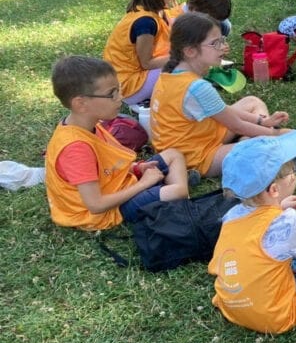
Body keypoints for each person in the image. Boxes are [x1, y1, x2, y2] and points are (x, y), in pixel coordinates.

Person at [208, 131, 296, 334]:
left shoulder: (232, 215)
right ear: (274, 189)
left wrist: (279, 206)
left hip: (230, 304)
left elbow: (259, 223)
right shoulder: (291, 223)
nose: (294, 175)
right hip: (274, 317)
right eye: (292, 171)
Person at [44, 56, 191, 231]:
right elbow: (96, 205)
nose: (120, 97)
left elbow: (107, 167)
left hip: (119, 186)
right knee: (177, 191)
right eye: (112, 94)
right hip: (105, 211)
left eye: (119, 90)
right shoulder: (76, 148)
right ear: (81, 104)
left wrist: (136, 169)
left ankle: (166, 191)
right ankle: (173, 194)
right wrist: (142, 184)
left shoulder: (90, 125)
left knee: (173, 154)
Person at [151, 12, 293, 177]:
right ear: (190, 51)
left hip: (195, 139)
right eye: (215, 43)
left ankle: (247, 139)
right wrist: (277, 135)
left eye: (222, 40)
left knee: (252, 101)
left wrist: (263, 121)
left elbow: (223, 111)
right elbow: (236, 125)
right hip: (194, 158)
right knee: (261, 146)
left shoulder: (169, 73)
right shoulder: (196, 87)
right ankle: (247, 141)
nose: (223, 47)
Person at [103, 0, 190, 108]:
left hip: (139, 78)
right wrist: (184, 54)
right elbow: (147, 63)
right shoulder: (145, 22)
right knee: (185, 64)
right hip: (129, 86)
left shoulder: (158, 10)